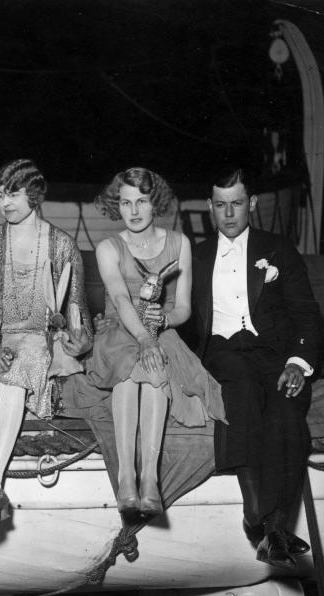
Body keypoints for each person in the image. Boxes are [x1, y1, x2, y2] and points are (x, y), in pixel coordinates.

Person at [192, 167, 322, 568]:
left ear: (252, 204)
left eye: (236, 204)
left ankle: (274, 530)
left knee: (286, 410)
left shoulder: (278, 249)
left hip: (275, 354)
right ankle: (258, 515)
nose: (228, 214)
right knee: (242, 392)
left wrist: (298, 363)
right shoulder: (196, 255)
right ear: (210, 208)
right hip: (223, 352)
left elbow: (306, 314)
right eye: (220, 205)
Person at [0, 159, 91, 530]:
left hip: (34, 340)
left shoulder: (61, 244)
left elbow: (78, 308)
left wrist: (75, 338)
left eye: (13, 193)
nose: (5, 202)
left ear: (34, 193)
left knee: (12, 386)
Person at [88, 168, 224, 520]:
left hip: (160, 328)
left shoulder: (180, 244)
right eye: (126, 202)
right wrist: (145, 338)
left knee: (155, 368)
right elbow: (119, 298)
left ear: (155, 203)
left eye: (142, 202)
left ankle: (149, 478)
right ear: (116, 205)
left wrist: (160, 324)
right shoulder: (109, 248)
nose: (133, 211)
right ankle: (126, 476)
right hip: (120, 329)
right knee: (131, 367)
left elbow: (183, 309)